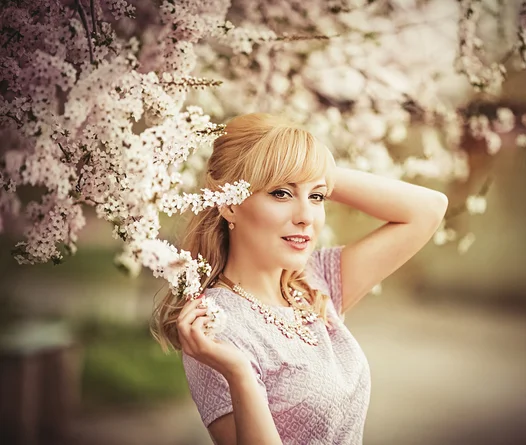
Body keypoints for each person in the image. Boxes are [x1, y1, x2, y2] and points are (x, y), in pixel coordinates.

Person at [152, 113, 448, 445]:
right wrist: (240, 374)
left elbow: (429, 209)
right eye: (281, 193)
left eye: (317, 197)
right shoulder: (215, 325)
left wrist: (311, 166)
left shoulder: (312, 283)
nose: (306, 217)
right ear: (229, 204)